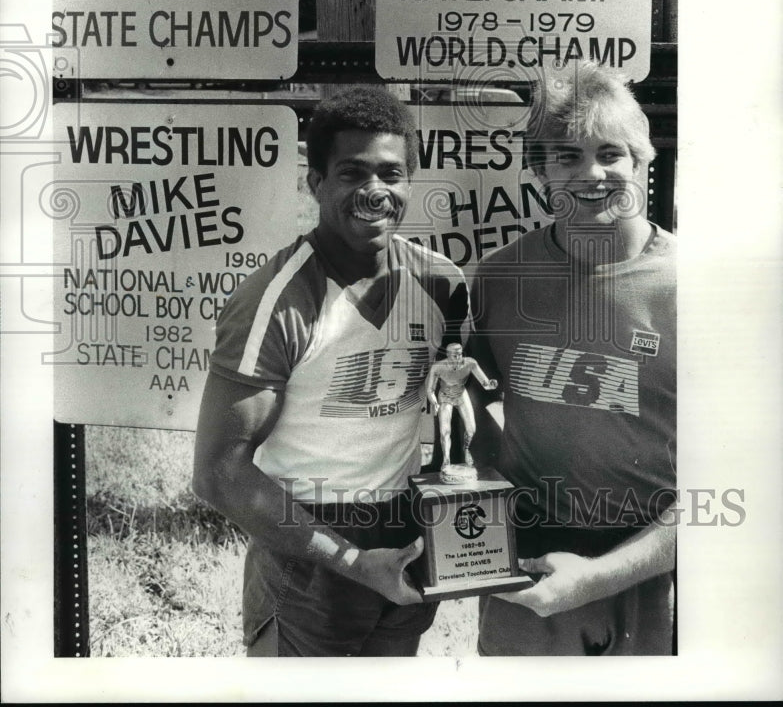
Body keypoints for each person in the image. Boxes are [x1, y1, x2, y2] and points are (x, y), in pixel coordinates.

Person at [192, 86, 470, 657]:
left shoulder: (442, 283)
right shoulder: (276, 301)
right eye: (352, 173)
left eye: (392, 174)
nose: (375, 192)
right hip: (308, 548)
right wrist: (348, 559)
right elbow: (219, 472)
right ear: (315, 182)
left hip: (404, 533)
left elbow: (455, 414)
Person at [471, 61, 676, 656]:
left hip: (655, 566)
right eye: (566, 157)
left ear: (643, 161)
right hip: (533, 561)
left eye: (611, 153)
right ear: (539, 172)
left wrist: (600, 577)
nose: (592, 174)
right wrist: (485, 485)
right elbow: (467, 398)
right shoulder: (502, 277)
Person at [424, 342, 497, 472]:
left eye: (460, 354)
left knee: (471, 429)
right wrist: (434, 402)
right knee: (445, 431)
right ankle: (446, 460)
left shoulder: (470, 363)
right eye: (454, 355)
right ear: (448, 355)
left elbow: (485, 384)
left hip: (461, 395)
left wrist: (491, 384)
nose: (458, 358)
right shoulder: (438, 367)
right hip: (445, 397)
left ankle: (467, 449)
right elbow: (430, 390)